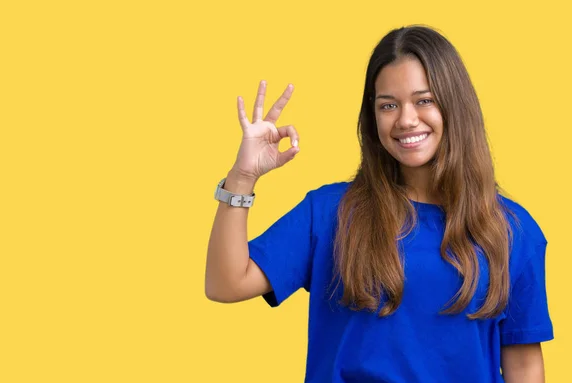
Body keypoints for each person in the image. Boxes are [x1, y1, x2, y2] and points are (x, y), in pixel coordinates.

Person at [205, 25, 553, 382]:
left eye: (424, 100)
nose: (406, 119)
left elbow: (524, 365)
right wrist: (242, 176)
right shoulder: (328, 213)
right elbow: (226, 284)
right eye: (388, 105)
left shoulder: (512, 229)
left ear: (455, 105)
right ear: (372, 118)